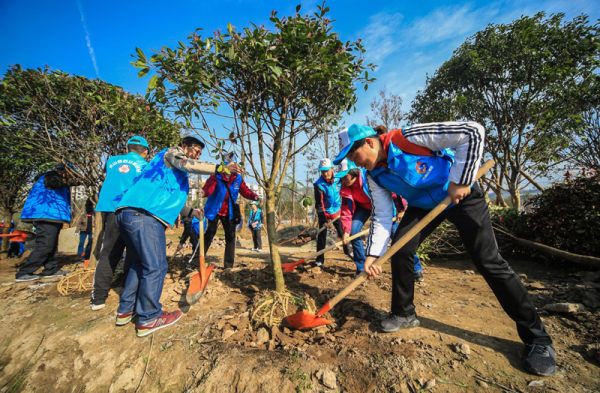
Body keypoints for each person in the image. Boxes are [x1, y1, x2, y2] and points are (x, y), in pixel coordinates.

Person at [333, 122, 555, 376]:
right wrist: (374, 255)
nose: (353, 162)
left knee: (487, 260)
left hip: (460, 194)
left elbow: (472, 132)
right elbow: (383, 215)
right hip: (423, 206)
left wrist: (460, 180)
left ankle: (538, 339)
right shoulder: (374, 175)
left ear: (369, 142)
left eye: (353, 154)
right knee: (402, 249)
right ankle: (403, 313)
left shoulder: (408, 138)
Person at [114, 136, 241, 337]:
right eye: (195, 150)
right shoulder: (171, 153)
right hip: (144, 215)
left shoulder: (166, 172)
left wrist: (191, 212)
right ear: (184, 146)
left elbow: (170, 198)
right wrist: (220, 168)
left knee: (138, 264)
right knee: (156, 266)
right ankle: (148, 317)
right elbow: (186, 163)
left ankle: (125, 310)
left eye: (200, 153)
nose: (197, 154)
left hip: (129, 213)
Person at [90, 135, 150, 310]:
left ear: (127, 148)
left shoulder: (111, 161)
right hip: (133, 211)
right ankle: (128, 292)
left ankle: (98, 298)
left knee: (109, 253)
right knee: (134, 252)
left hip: (111, 210)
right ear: (145, 152)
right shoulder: (145, 166)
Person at [16, 164, 82, 282]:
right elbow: (53, 183)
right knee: (45, 245)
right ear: (63, 171)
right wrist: (75, 182)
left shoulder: (54, 177)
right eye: (70, 174)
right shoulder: (50, 176)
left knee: (51, 245)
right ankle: (24, 272)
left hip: (52, 215)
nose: (71, 176)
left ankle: (50, 269)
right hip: (45, 215)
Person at [202, 153, 259, 268]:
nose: (234, 167)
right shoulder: (216, 176)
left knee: (231, 237)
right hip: (214, 210)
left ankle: (228, 265)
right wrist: (204, 192)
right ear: (225, 165)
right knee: (209, 234)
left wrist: (254, 196)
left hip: (229, 212)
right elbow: (209, 188)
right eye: (232, 165)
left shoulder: (238, 179)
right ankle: (197, 259)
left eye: (236, 165)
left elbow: (245, 191)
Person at [313, 158, 351, 267]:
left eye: (327, 170)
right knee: (322, 235)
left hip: (338, 212)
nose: (325, 174)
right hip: (325, 213)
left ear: (332, 169)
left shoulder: (339, 178)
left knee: (343, 233)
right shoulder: (318, 185)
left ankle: (348, 252)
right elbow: (320, 205)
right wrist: (325, 220)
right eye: (322, 171)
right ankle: (319, 259)